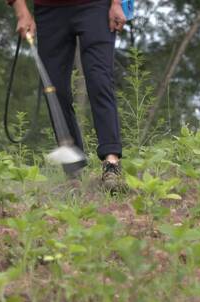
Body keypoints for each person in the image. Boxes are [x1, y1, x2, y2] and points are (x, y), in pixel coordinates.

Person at [7, 0, 125, 190]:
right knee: (54, 88)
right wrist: (22, 12)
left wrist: (117, 3)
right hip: (49, 10)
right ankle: (73, 170)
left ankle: (112, 163)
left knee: (99, 80)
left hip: (96, 6)